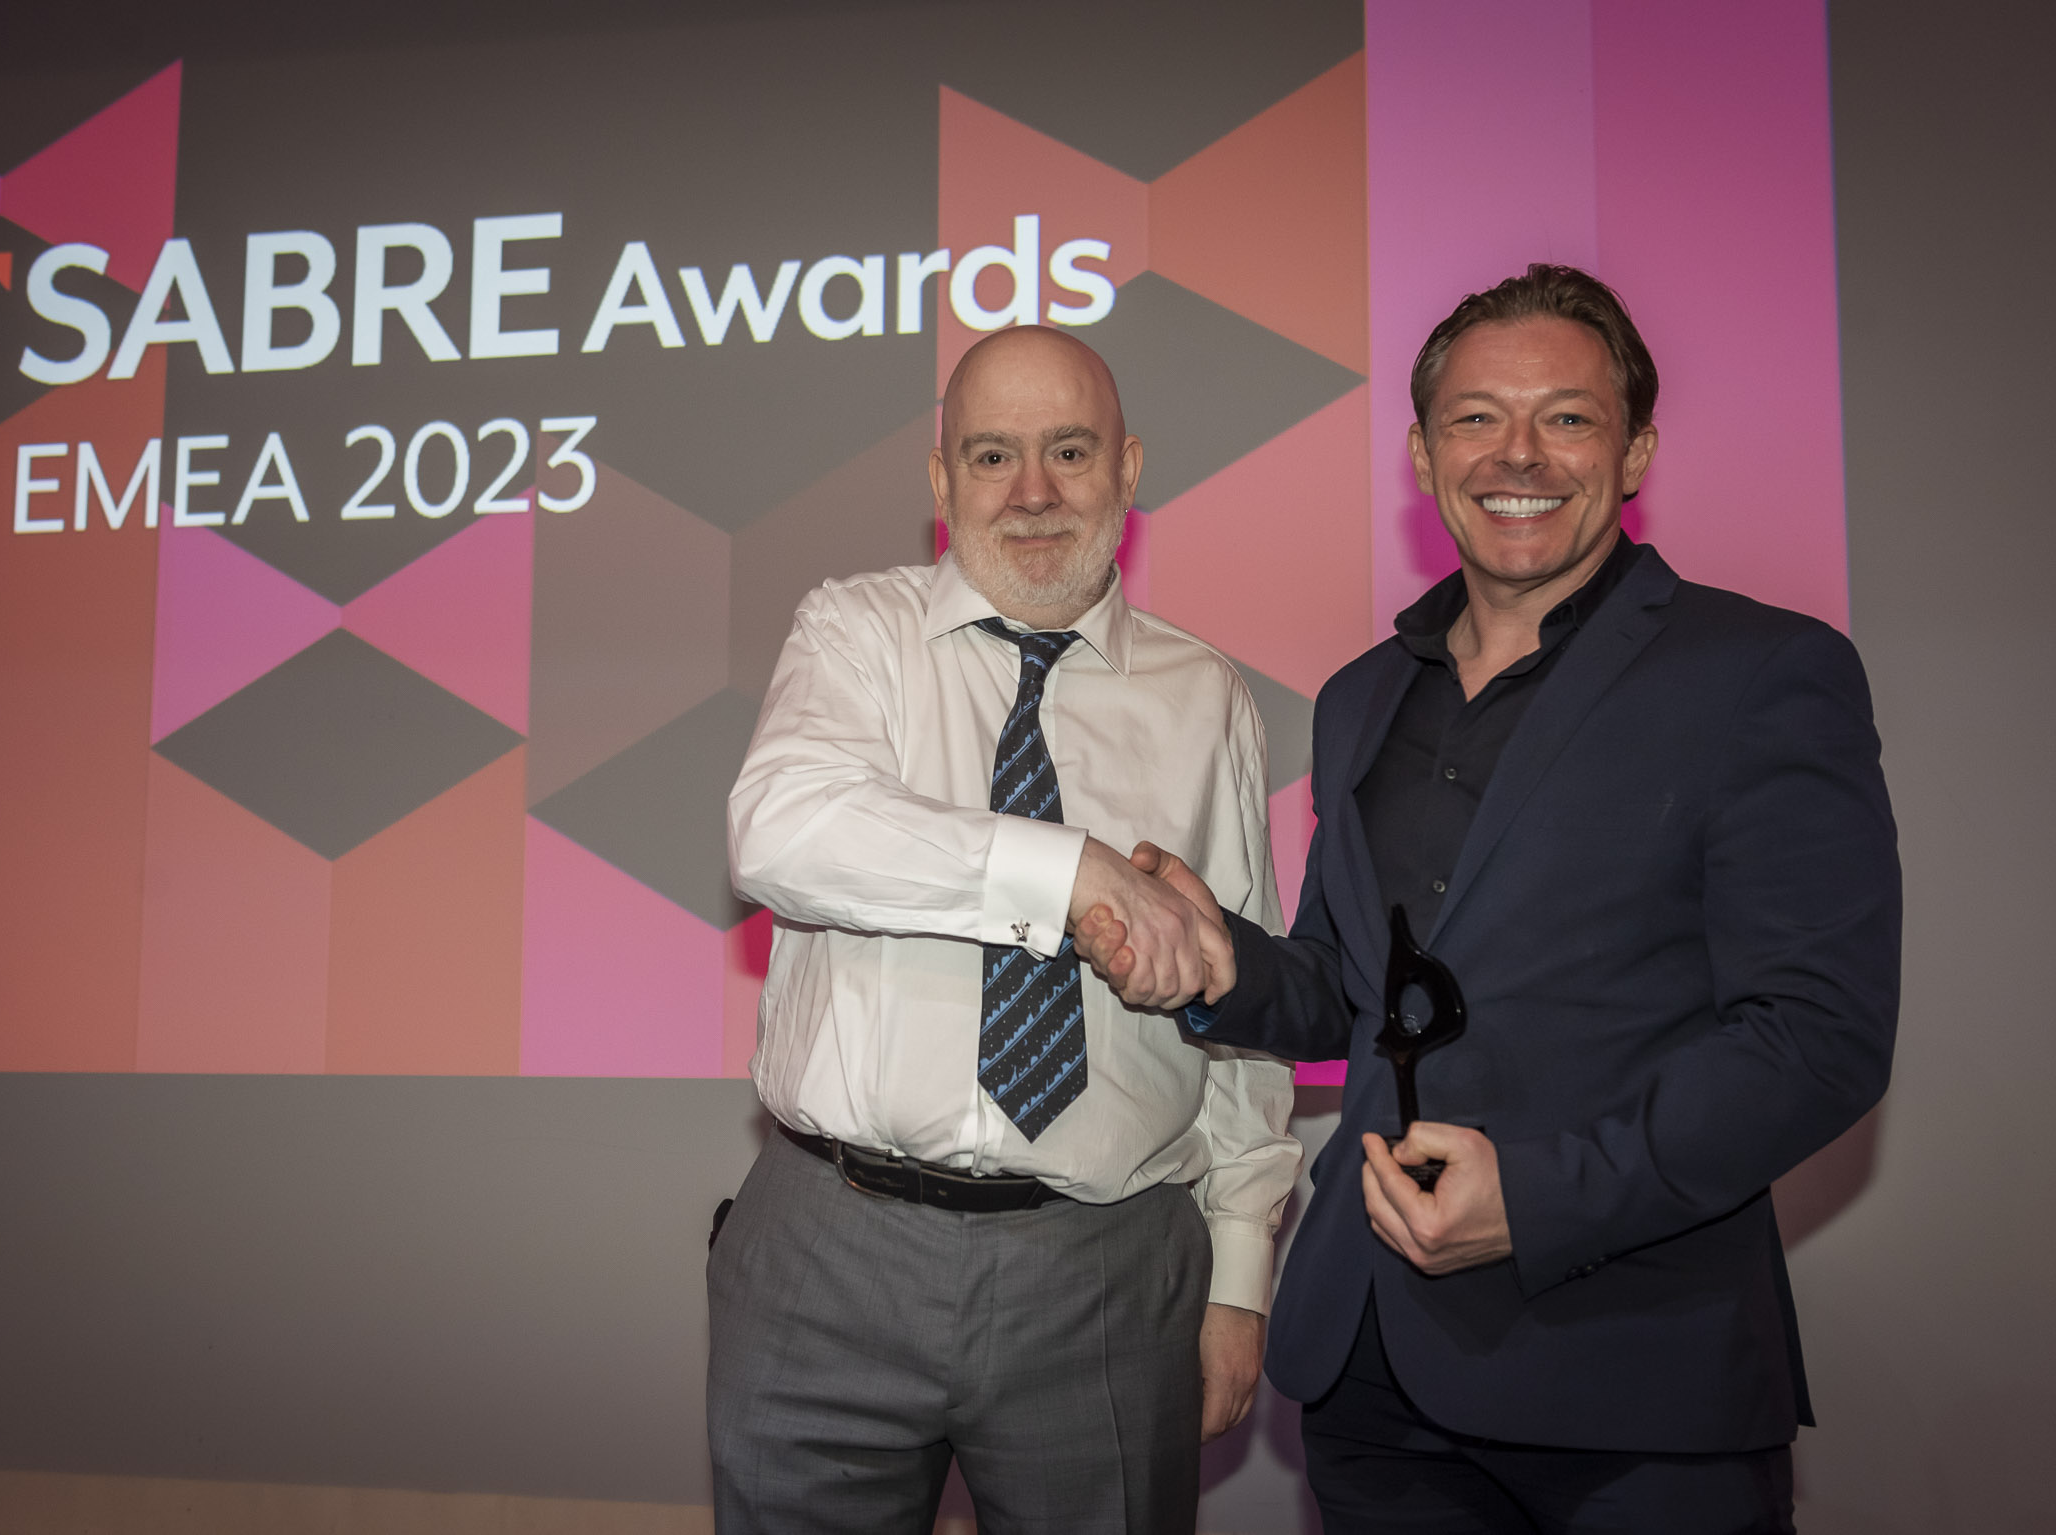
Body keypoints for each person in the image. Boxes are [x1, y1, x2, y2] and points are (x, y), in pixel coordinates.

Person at [1079, 265, 1900, 1533]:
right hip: (1373, 1377)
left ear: (1634, 452)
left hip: (1631, 1381)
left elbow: (1817, 1035)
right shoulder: (1361, 697)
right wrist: (1218, 958)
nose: (1516, 453)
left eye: (1565, 417)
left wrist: (1539, 1197)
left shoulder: (1761, 672)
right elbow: (1350, 990)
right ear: (1421, 453)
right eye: (1474, 417)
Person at [711, 324, 1299, 1535]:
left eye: (1068, 451)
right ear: (942, 481)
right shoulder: (854, 632)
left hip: (1105, 1267)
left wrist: (1240, 1272)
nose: (1031, 491)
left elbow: (1240, 1009)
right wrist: (1066, 870)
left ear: (1126, 469)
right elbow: (779, 830)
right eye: (991, 455)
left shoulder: (1205, 697)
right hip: (828, 1247)